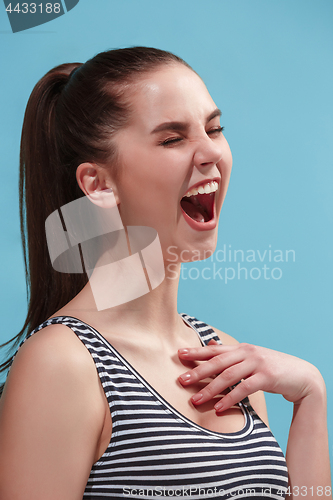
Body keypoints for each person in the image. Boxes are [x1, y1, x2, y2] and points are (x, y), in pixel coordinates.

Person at [0, 47, 331, 500]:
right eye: (172, 139)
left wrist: (311, 396)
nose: (211, 151)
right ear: (98, 184)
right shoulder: (63, 363)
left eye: (214, 128)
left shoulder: (229, 360)